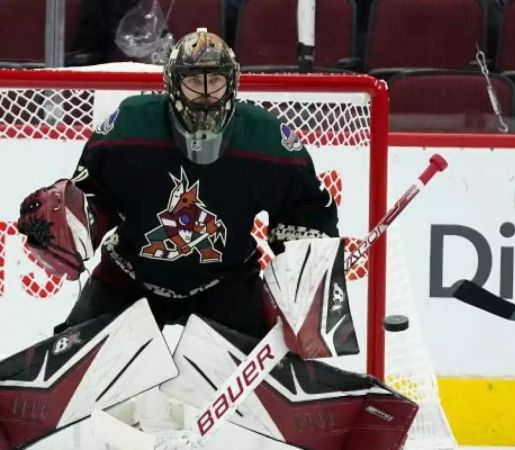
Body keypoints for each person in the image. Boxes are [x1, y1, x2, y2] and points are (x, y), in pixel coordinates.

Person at [19, 28, 338, 341]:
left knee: (270, 384)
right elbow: (94, 197)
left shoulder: (266, 140)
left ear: (232, 84)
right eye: (192, 81)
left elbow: (307, 211)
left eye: (214, 81)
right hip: (129, 279)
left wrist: (307, 272)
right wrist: (71, 220)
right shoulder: (130, 127)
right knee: (74, 371)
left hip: (225, 284)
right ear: (172, 84)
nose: (205, 95)